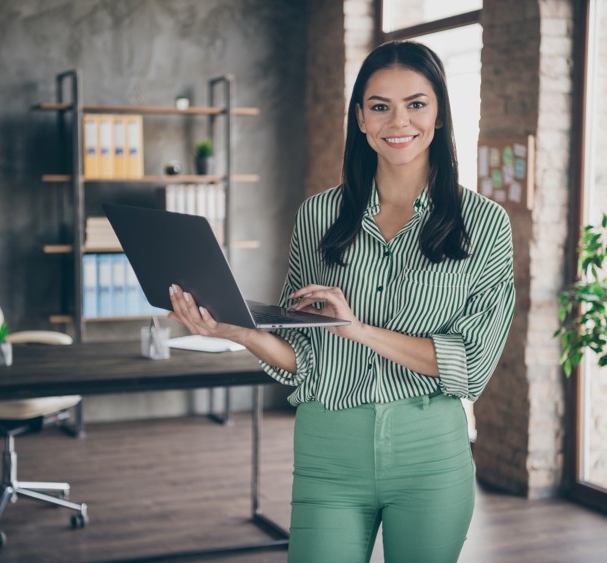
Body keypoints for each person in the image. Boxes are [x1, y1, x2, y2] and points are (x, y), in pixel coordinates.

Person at [167, 40, 515, 563]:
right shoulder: (319, 216)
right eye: (380, 106)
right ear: (360, 118)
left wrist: (356, 328)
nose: (399, 121)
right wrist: (235, 331)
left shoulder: (484, 224)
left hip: (430, 456)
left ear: (439, 113)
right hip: (328, 452)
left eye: (416, 103)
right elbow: (300, 355)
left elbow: (470, 366)